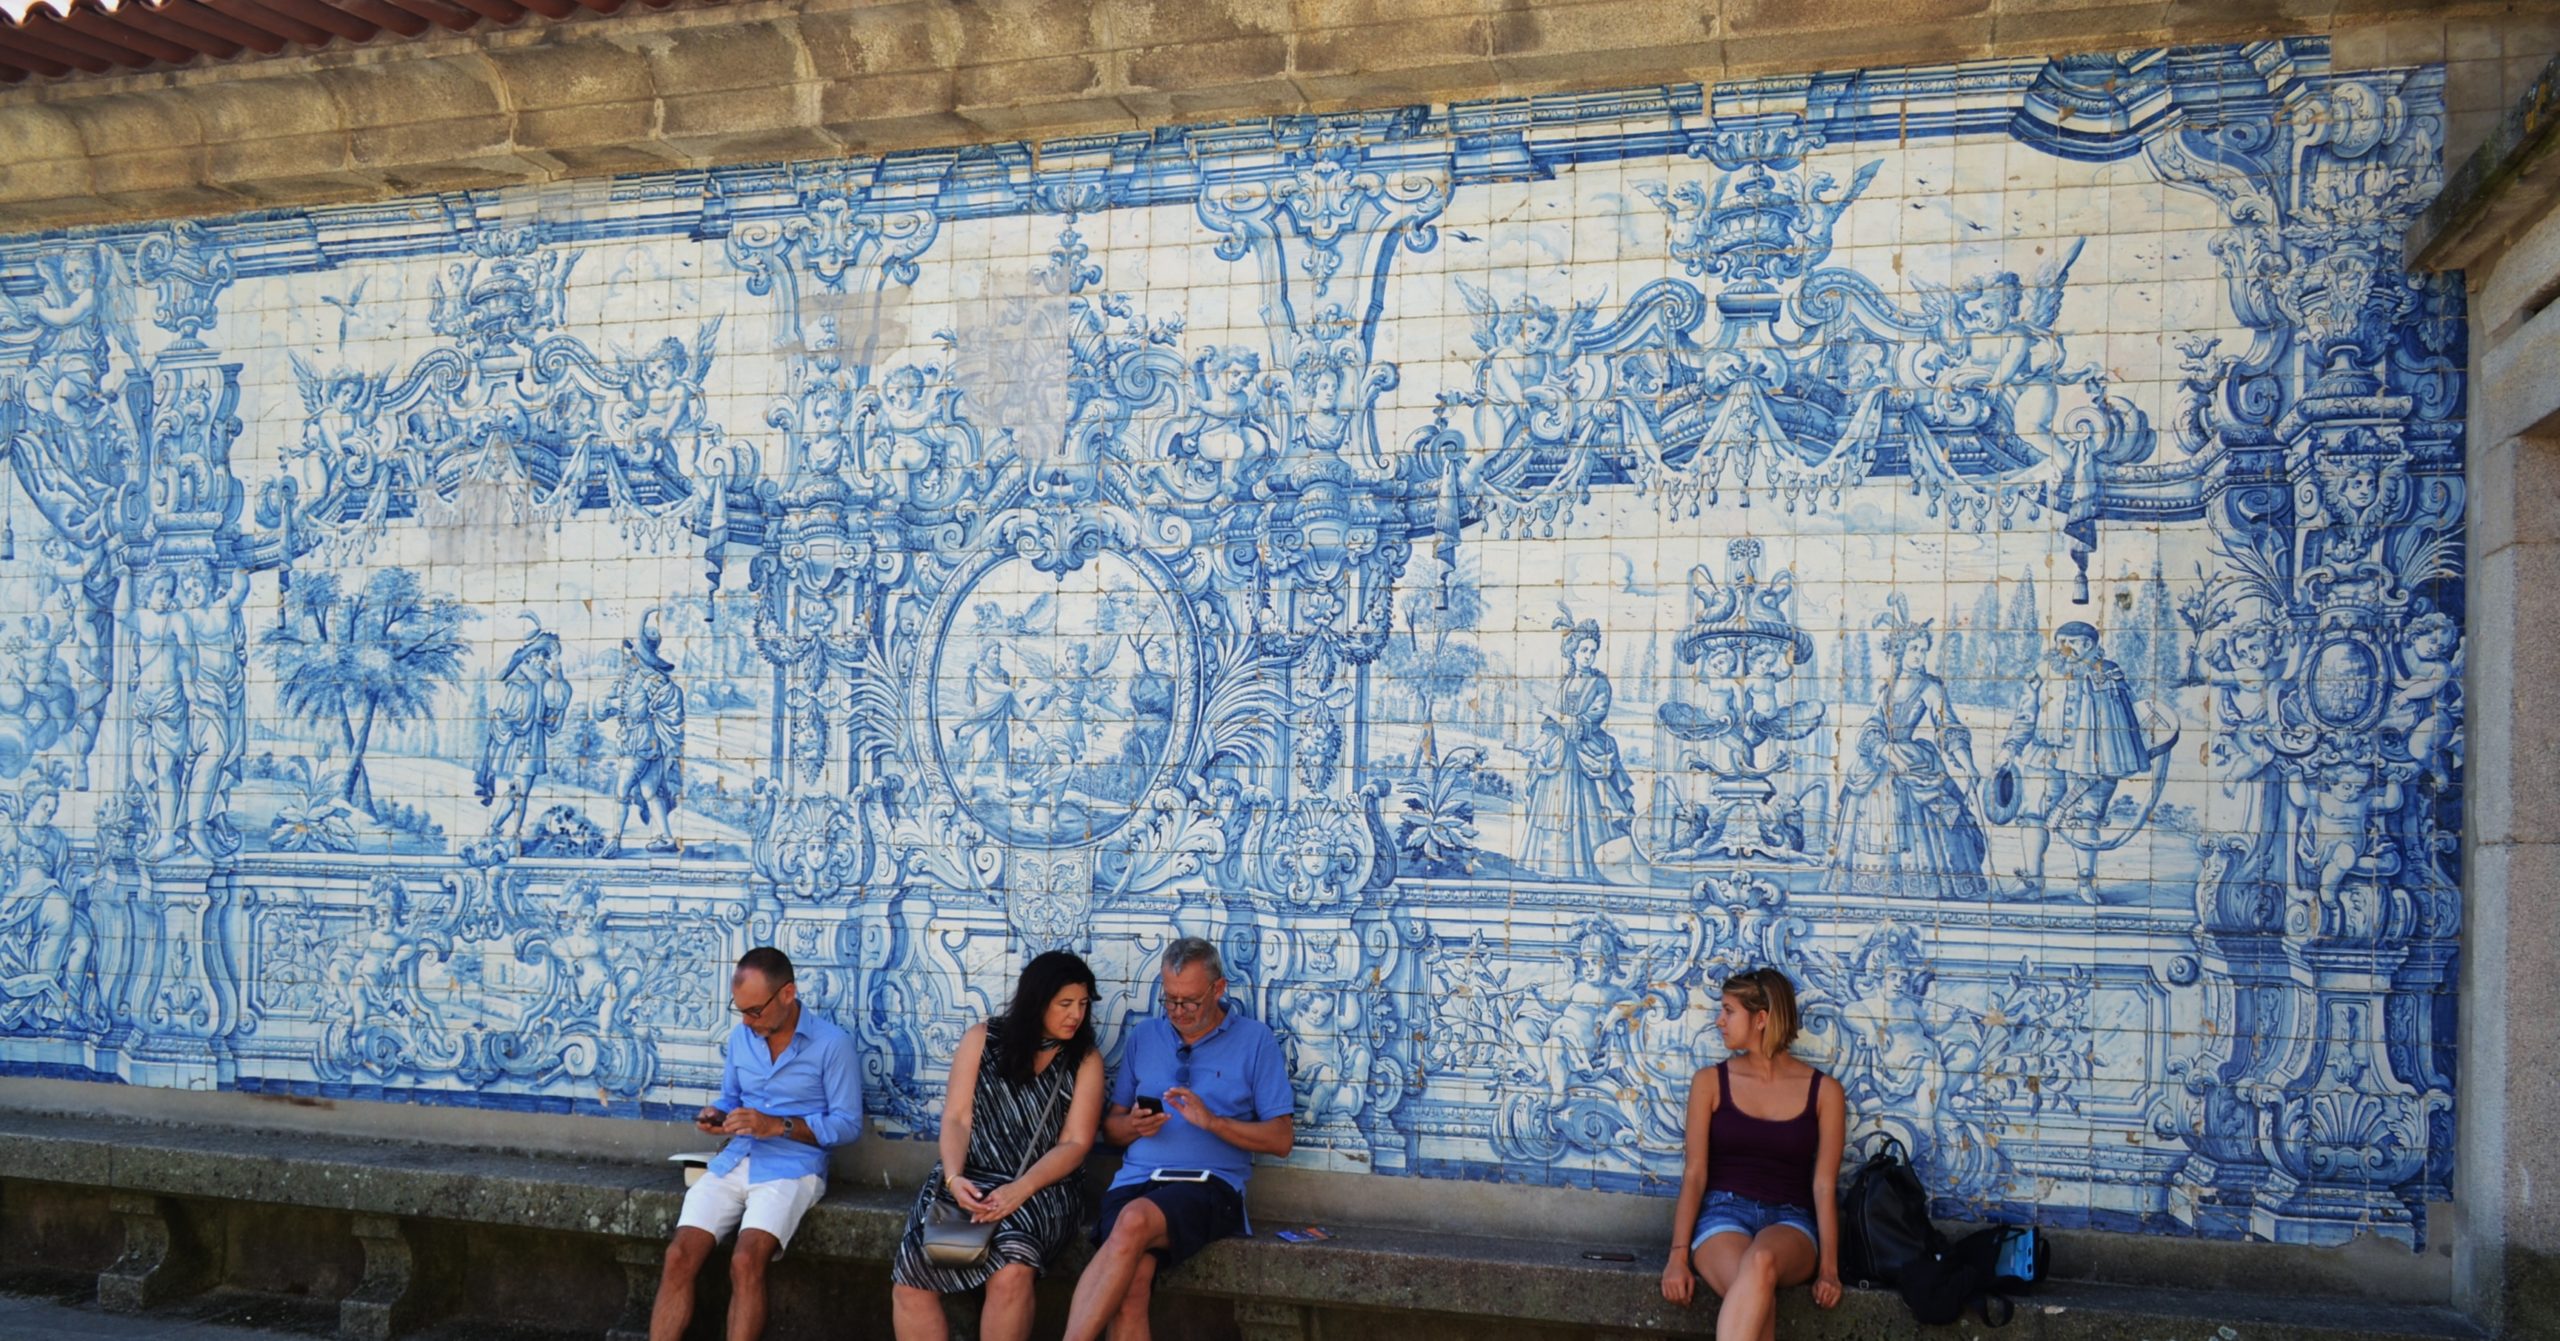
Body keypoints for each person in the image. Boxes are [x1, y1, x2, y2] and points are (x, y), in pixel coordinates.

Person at [1063, 938, 1295, 1341]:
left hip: (1208, 1185)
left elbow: (1281, 1139)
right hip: (1137, 1179)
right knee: (1131, 1288)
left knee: (1133, 1220)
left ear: (1219, 989)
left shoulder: (1255, 1041)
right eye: (1170, 1000)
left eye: (1189, 1001)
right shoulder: (1145, 1036)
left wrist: (1213, 1122)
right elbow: (1111, 1129)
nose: (1178, 1012)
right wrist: (1134, 1125)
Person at [891, 951, 1108, 1341]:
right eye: (1065, 1004)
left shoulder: (1085, 1059)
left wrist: (1019, 1190)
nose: (1076, 1014)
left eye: (1082, 1005)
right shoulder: (982, 1039)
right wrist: (955, 1179)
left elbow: (1075, 1144)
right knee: (911, 1278)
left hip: (1043, 1187)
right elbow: (957, 1118)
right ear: (1037, 1001)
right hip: (970, 1175)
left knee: (1011, 1269)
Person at [652, 948, 862, 1341]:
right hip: (736, 1159)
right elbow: (732, 1098)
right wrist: (718, 1116)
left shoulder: (833, 1045)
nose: (748, 1021)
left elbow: (848, 1126)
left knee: (746, 1260)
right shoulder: (741, 1037)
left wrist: (778, 1126)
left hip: (794, 1168)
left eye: (755, 1011)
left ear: (787, 993)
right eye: (741, 1010)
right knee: (678, 1255)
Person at [1661, 968, 1846, 1341]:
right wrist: (1677, 1257)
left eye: (1728, 1011)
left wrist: (1829, 1268)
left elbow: (1824, 1186)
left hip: (1790, 1223)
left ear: (1761, 1019)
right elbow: (1695, 1174)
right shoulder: (1710, 1082)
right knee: (1758, 1298)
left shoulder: (1825, 1092)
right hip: (1722, 1216)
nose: (1719, 1021)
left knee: (1761, 1262)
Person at [1998, 620, 2149, 900]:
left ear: (2089, 645)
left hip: (2091, 760)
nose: (2063, 648)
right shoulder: (2042, 671)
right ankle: (2031, 881)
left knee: (2086, 818)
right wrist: (2011, 746)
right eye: (2060, 641)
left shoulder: (2108, 673)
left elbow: (2123, 720)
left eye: (2071, 641)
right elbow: (2025, 713)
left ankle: (2085, 884)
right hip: (2044, 753)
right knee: (2033, 815)